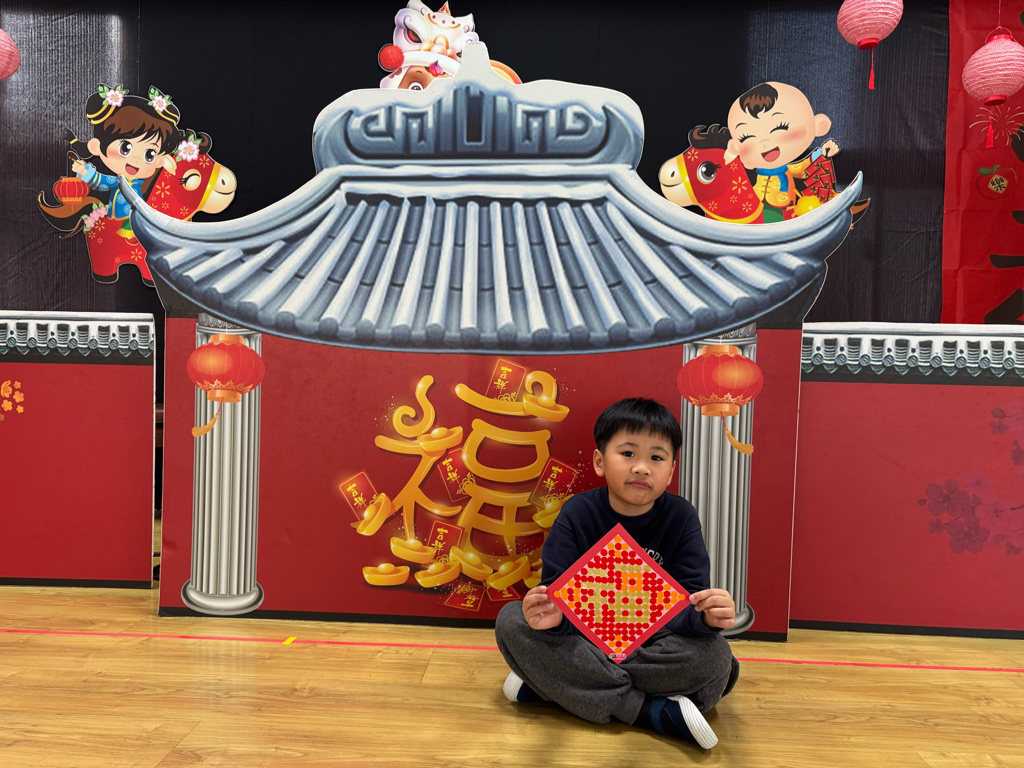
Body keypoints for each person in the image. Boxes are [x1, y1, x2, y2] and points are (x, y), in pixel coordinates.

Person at [494, 398, 739, 750]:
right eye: (627, 453)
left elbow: (689, 604)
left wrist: (706, 618)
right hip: (585, 640)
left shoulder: (681, 516)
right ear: (600, 461)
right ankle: (647, 711)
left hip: (654, 643)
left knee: (717, 659)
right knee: (512, 621)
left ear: (671, 471)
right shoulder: (577, 513)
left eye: (657, 458)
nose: (642, 468)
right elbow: (557, 597)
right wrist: (550, 615)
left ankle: (553, 687)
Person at [726, 81, 840, 222]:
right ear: (735, 147)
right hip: (755, 202)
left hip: (782, 205)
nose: (764, 142)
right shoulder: (744, 174)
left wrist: (822, 154)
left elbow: (804, 168)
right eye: (746, 136)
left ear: (818, 126)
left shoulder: (788, 169)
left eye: (780, 126)